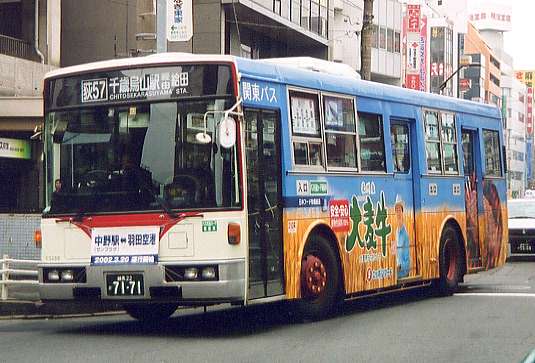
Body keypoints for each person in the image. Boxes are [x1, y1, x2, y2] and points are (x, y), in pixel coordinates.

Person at [391, 194, 411, 279]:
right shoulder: (396, 231)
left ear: (402, 212)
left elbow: (407, 256)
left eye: (399, 210)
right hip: (397, 270)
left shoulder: (405, 233)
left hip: (403, 271)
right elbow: (394, 251)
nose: (398, 213)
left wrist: (400, 266)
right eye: (396, 210)